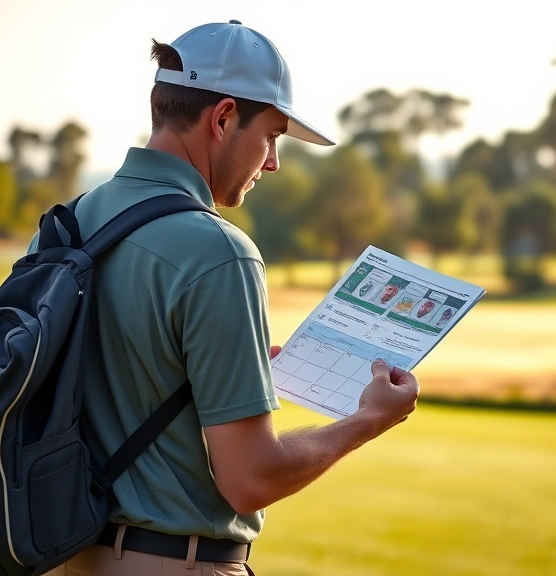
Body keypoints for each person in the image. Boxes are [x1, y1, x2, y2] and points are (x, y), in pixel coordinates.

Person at [44, 21, 419, 576]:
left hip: (60, 556)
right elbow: (251, 480)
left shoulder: (68, 224)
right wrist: (367, 420)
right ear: (222, 119)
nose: (272, 162)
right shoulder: (220, 252)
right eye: (271, 136)